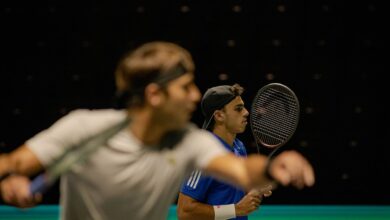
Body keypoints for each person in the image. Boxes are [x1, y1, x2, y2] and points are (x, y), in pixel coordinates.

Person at [0, 41, 315, 220]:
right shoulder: (84, 127)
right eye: (185, 87)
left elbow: (243, 171)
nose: (195, 96)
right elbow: (13, 165)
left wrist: (274, 166)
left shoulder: (189, 142)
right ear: (154, 95)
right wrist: (10, 186)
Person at [177, 84, 271, 220]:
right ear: (219, 115)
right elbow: (185, 211)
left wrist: (254, 188)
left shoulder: (239, 147)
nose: (246, 112)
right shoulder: (204, 155)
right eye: (238, 109)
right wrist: (236, 210)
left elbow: (229, 192)